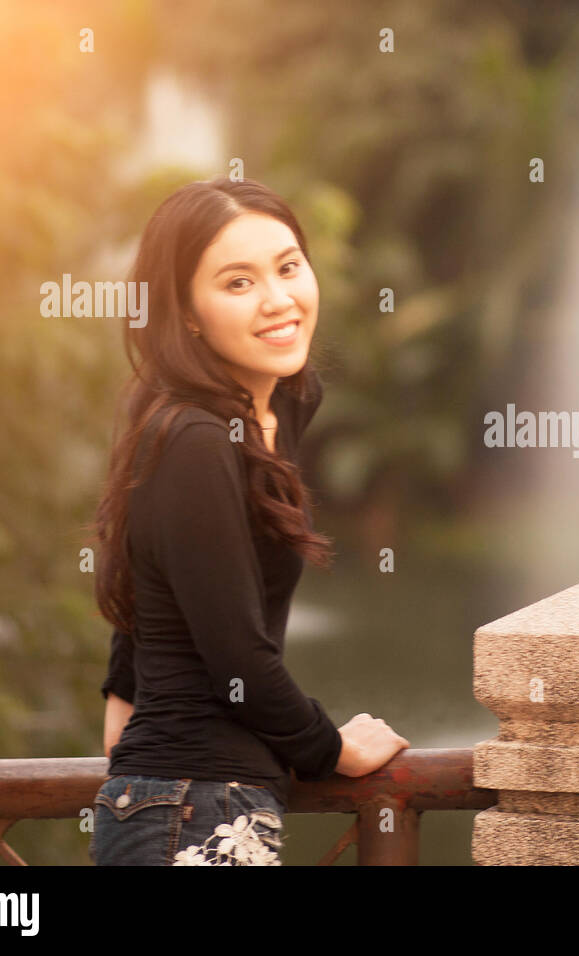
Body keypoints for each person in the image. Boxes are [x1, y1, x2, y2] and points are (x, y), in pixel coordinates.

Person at [89, 177, 408, 866]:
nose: (278, 300)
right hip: (184, 803)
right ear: (188, 314)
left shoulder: (285, 402)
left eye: (289, 267)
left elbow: (165, 556)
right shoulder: (193, 438)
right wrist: (333, 748)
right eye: (238, 283)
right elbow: (238, 653)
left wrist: (123, 691)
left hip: (213, 800)